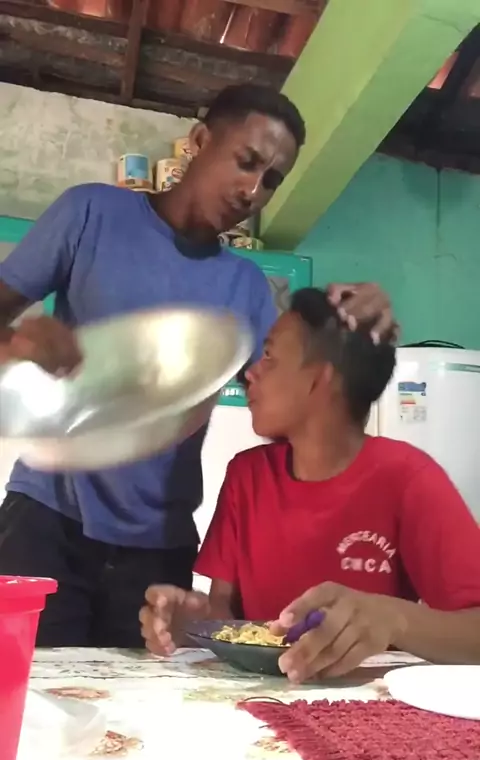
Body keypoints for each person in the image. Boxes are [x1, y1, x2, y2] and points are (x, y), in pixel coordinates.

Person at [0, 82, 394, 648]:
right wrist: (16, 344)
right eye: (247, 161)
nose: (253, 190)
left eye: (271, 180)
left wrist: (358, 325)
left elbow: (293, 405)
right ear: (200, 140)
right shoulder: (90, 213)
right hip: (46, 520)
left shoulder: (247, 288)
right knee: (26, 692)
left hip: (158, 551)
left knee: (139, 702)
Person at [140, 288, 480, 681]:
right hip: (253, 698)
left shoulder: (408, 477)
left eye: (269, 356)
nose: (250, 372)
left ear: (319, 380)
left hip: (362, 704)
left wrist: (395, 619)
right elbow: (224, 611)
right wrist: (190, 624)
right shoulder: (248, 475)